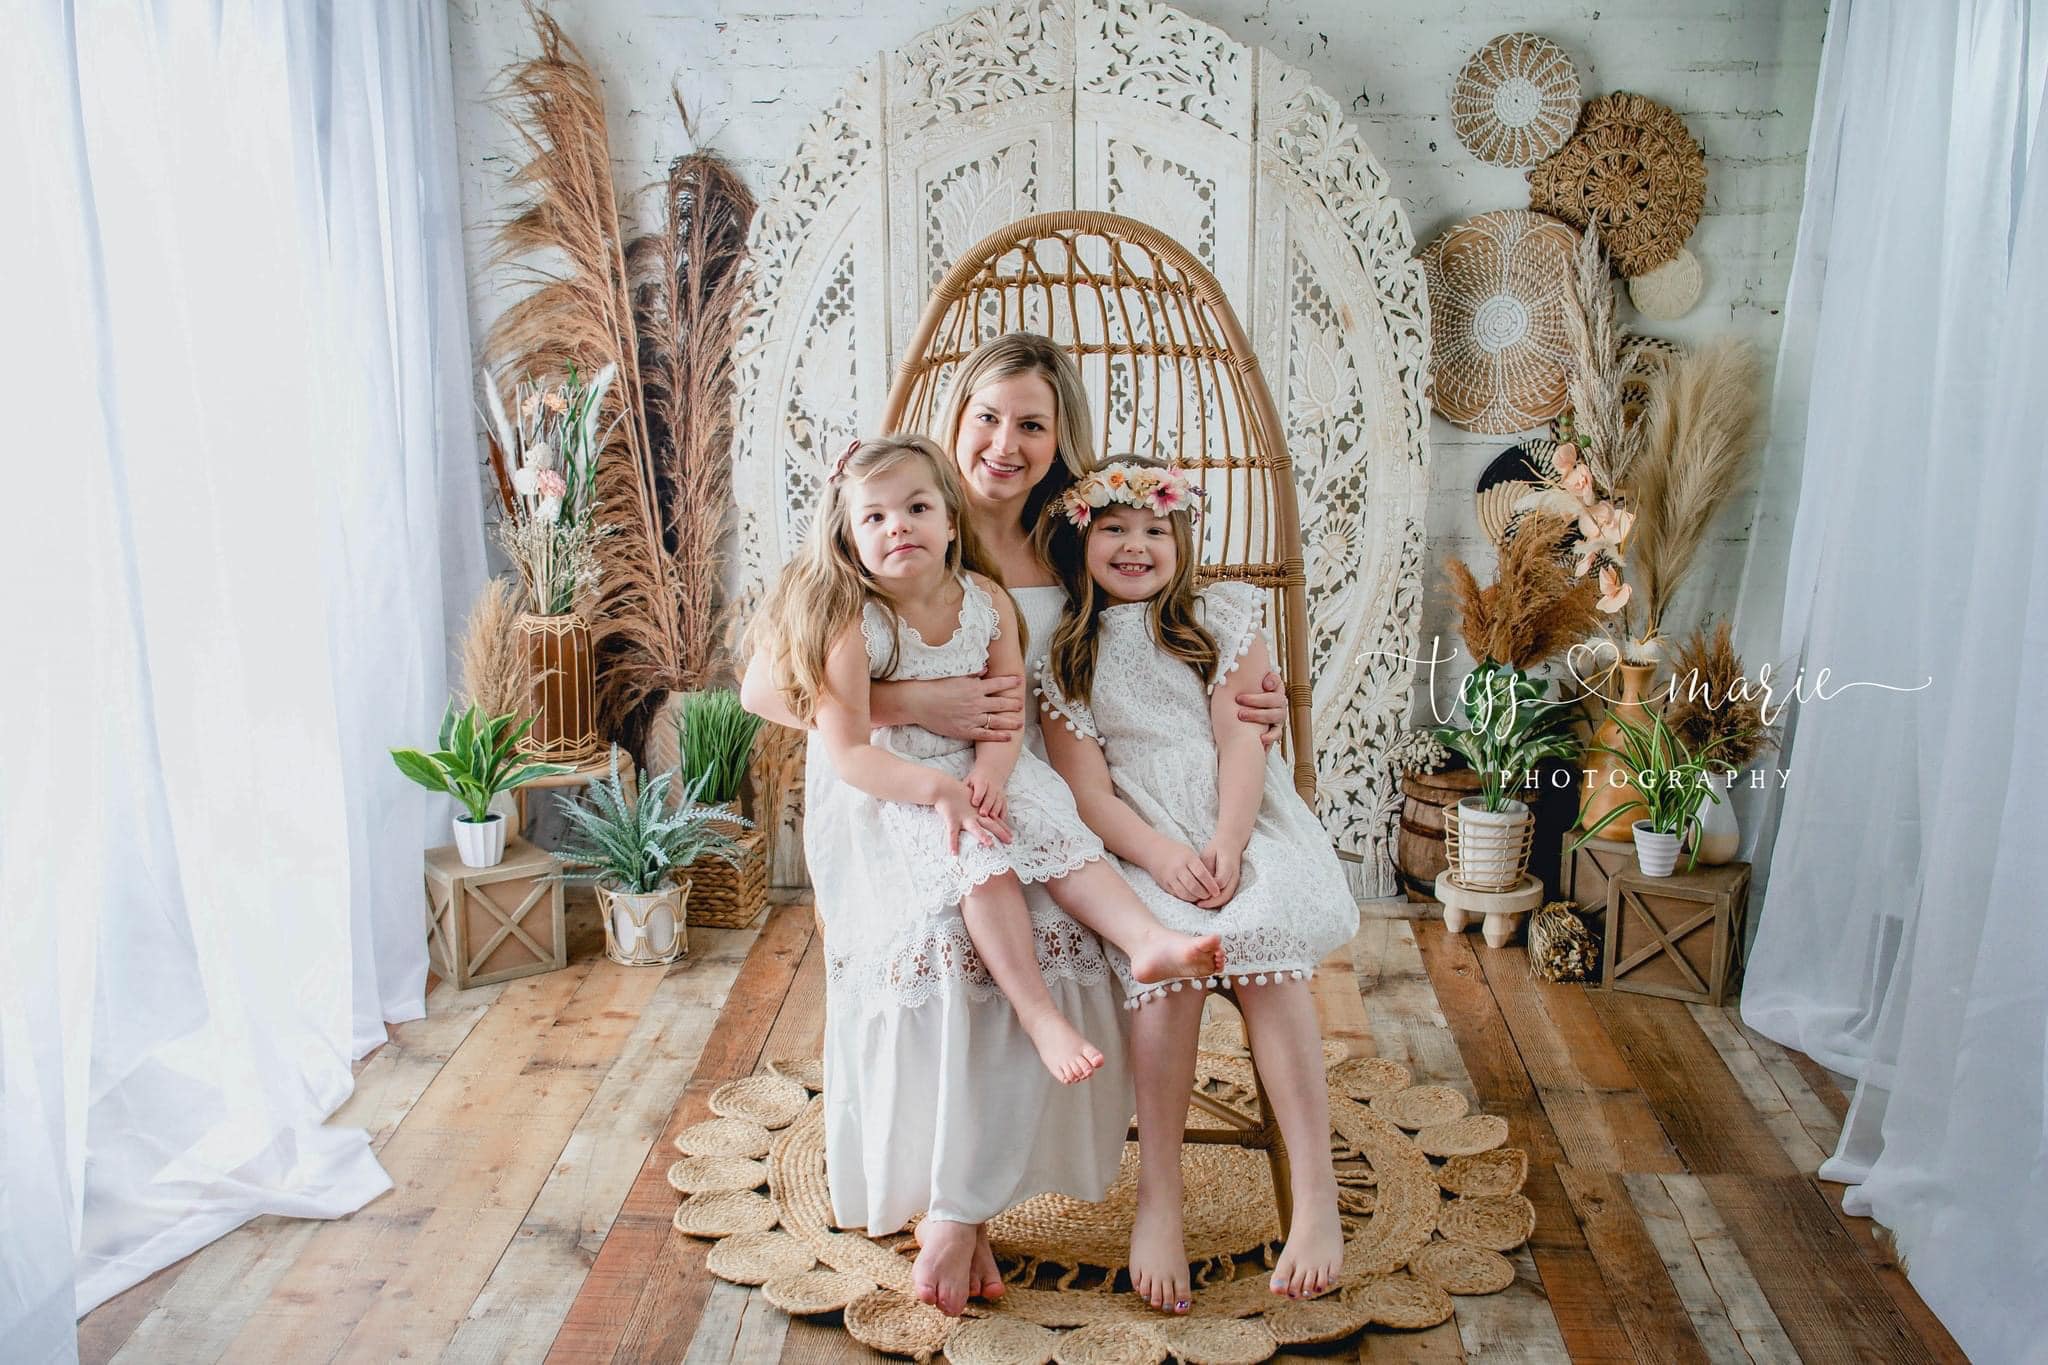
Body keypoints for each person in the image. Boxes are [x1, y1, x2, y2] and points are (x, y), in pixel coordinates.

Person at [738, 332, 1291, 1318]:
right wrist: (917, 707)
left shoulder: (1072, 531)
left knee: (1055, 926)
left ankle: (978, 1192)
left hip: (1043, 788)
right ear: (954, 420)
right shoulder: (897, 514)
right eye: (987, 416)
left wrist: (1244, 690)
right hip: (903, 788)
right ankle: (960, 1199)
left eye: (1031, 424)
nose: (1005, 441)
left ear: (1058, 439)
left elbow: (1161, 617)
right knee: (957, 934)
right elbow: (768, 688)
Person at [743, 434, 1227, 1091]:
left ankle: (1147, 940)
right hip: (908, 779)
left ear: (949, 521)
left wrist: (995, 774)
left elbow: (1006, 715)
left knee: (1066, 837)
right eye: (875, 517)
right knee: (984, 861)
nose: (898, 527)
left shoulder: (986, 600)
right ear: (849, 539)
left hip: (989, 767)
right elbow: (851, 751)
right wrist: (942, 791)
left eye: (916, 508)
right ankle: (1039, 1015)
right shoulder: (850, 622)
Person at [1036, 456, 1359, 1312]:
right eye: (1114, 528)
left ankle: (1318, 1196)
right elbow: (1086, 792)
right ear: (1081, 539)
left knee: (1271, 958)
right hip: (1140, 843)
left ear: (1182, 540)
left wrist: (1224, 839)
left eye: (1155, 530)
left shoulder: (1221, 617)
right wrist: (1162, 853)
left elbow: (1242, 740)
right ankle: (1161, 1198)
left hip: (1241, 824)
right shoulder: (1066, 653)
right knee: (1171, 973)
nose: (1136, 545)